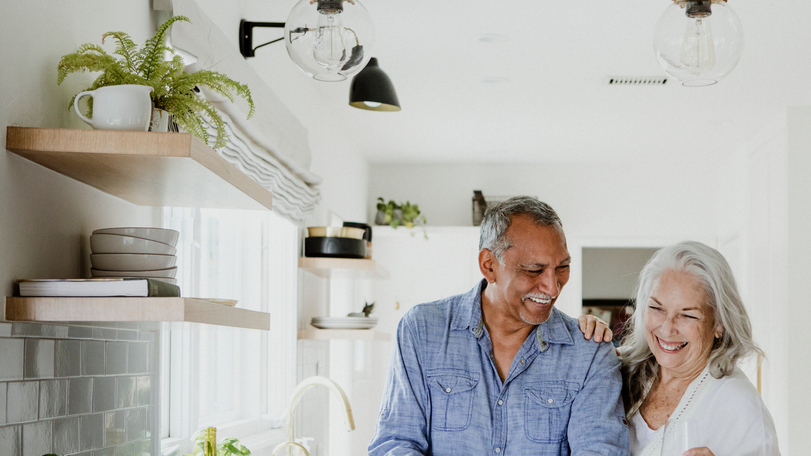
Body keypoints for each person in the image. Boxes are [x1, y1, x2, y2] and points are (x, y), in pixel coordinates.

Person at [368, 196, 629, 455]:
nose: (552, 286)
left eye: (562, 266)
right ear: (489, 266)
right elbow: (395, 442)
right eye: (533, 270)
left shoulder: (590, 351)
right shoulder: (422, 331)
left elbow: (600, 450)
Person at [579, 241, 780, 456]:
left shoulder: (740, 408)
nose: (666, 328)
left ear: (719, 324)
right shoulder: (616, 370)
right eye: (656, 308)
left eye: (688, 315)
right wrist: (583, 342)